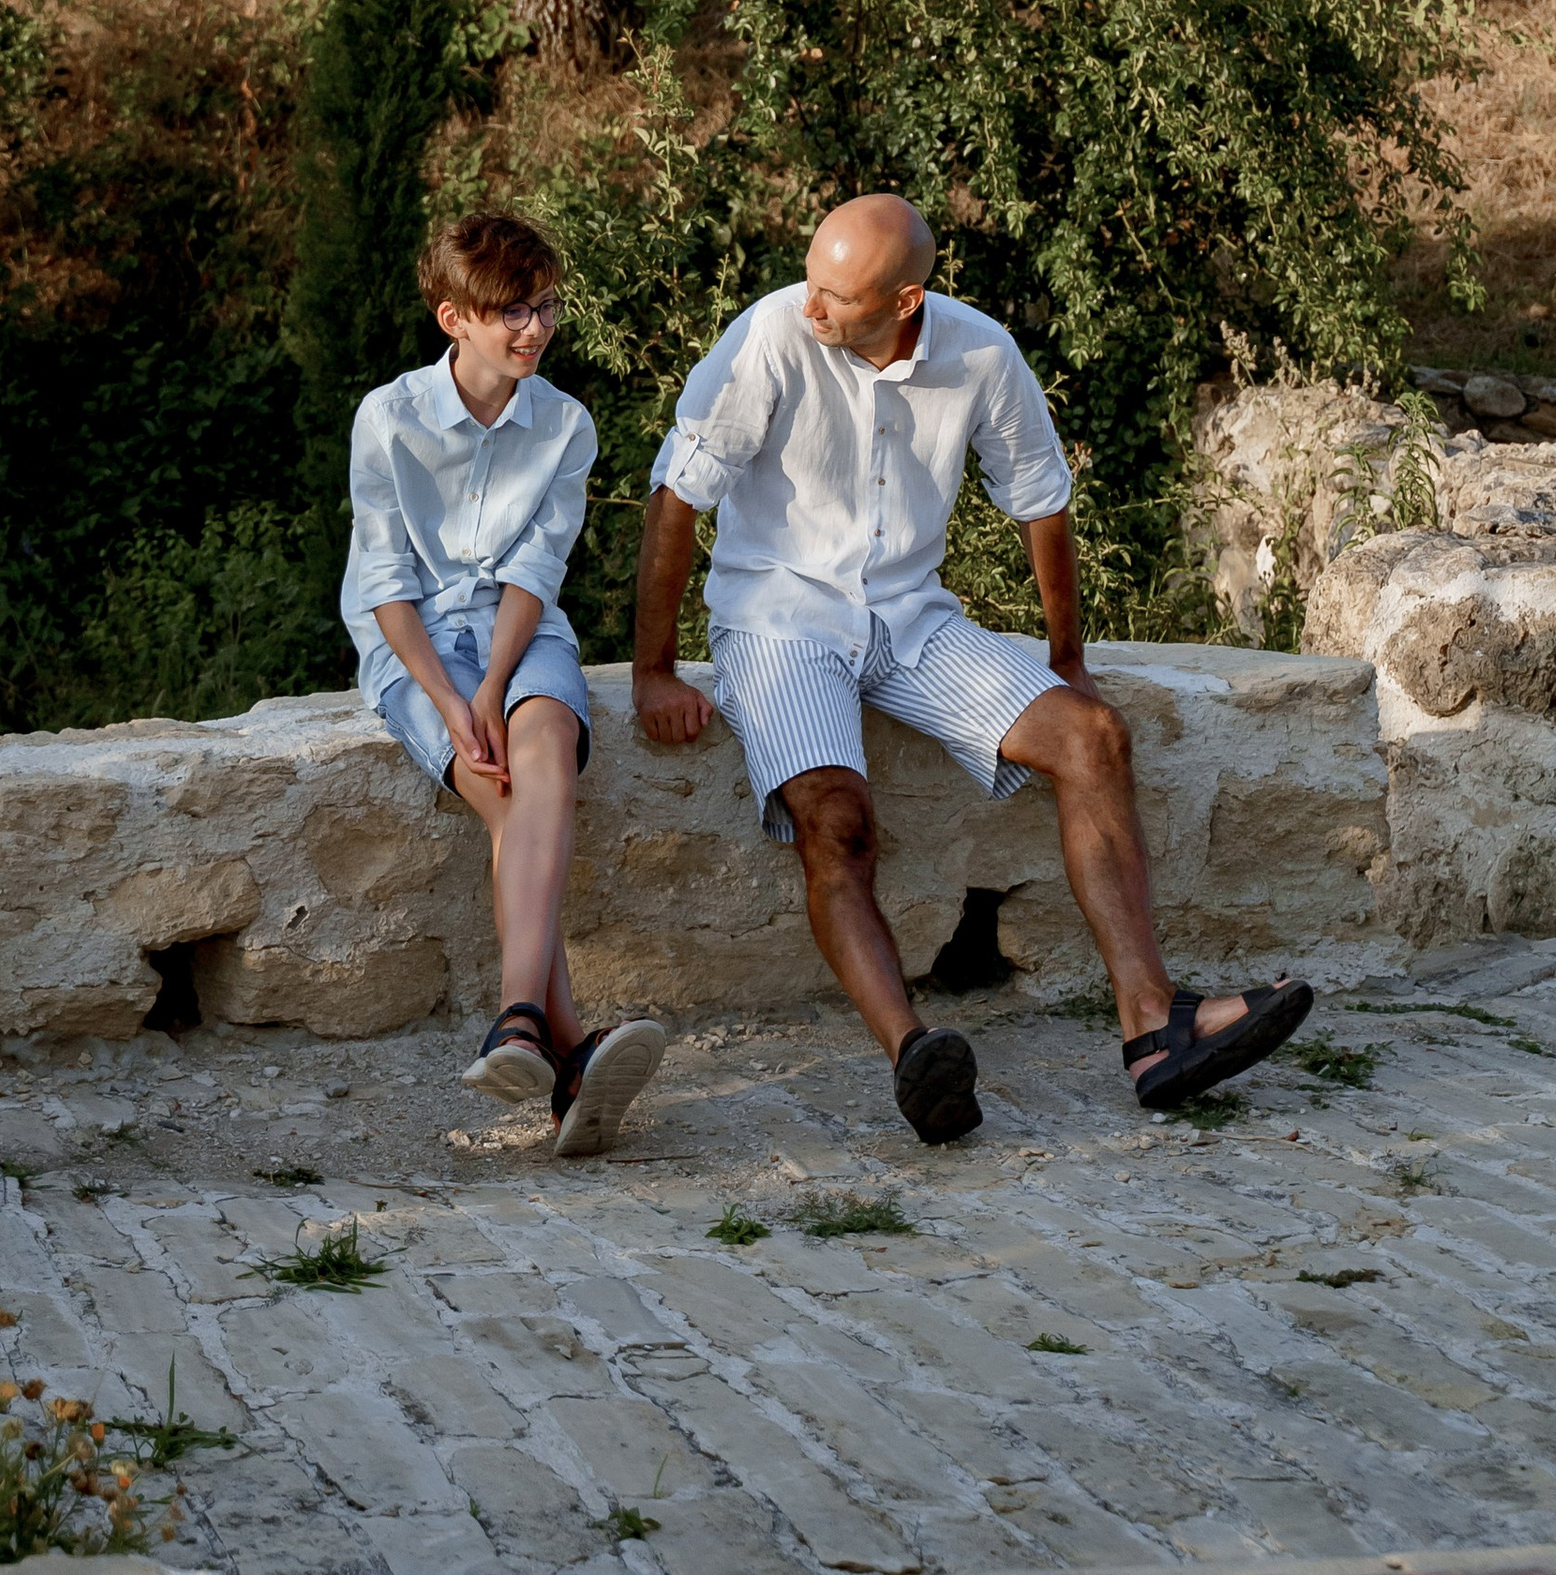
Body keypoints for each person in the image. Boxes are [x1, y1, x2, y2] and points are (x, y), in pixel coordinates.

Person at [631, 191, 1312, 1145]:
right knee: (837, 822)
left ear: (906, 300)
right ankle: (916, 1056)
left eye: (838, 296)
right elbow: (676, 498)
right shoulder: (768, 339)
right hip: (779, 621)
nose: (811, 307)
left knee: (1093, 736)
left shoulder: (981, 352)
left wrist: (1067, 658)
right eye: (811, 281)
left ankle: (1155, 1025)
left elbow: (1041, 499)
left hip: (912, 618)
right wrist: (653, 671)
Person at [345, 209, 666, 1159]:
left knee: (545, 750)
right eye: (511, 312)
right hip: (413, 645)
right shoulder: (388, 417)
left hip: (525, 631)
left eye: (545, 308)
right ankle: (567, 1053)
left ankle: (518, 1015)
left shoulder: (565, 423)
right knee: (500, 795)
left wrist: (495, 687)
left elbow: (538, 567)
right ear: (454, 319)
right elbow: (384, 582)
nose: (535, 329)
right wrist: (453, 701)